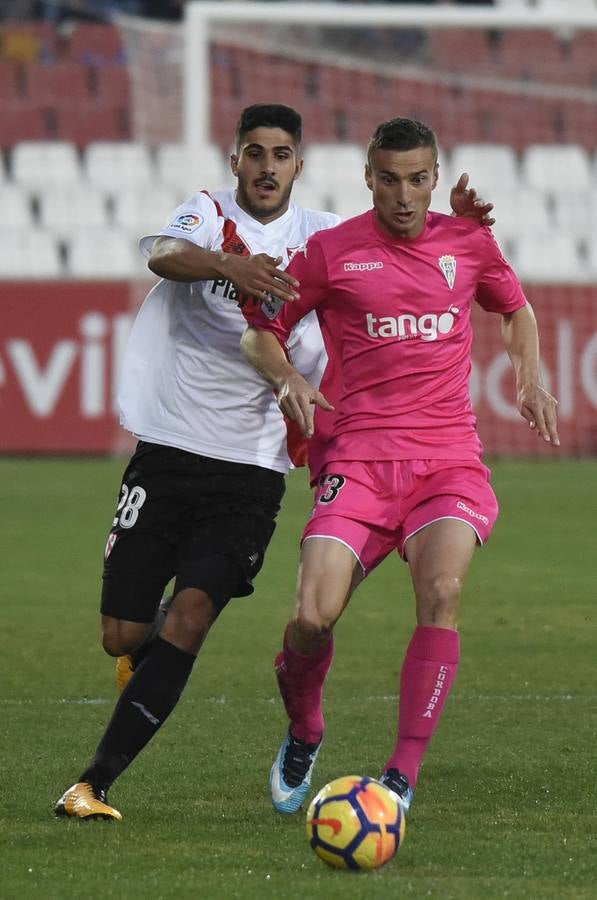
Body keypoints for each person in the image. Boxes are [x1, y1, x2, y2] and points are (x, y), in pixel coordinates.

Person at [54, 104, 494, 822]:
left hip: (254, 461)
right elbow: (161, 255)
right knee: (124, 636)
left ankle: (94, 783)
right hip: (168, 447)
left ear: (298, 163)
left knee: (194, 617)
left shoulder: (320, 236)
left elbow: (400, 227)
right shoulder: (206, 213)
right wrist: (230, 266)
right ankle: (151, 645)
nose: (266, 166)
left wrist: (463, 219)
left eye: (280, 154)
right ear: (235, 161)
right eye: (253, 153)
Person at [240, 116, 559, 817]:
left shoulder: (467, 243)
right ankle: (305, 727)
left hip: (447, 462)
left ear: (435, 178)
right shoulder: (331, 253)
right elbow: (259, 329)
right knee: (311, 618)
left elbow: (516, 310)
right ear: (368, 178)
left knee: (442, 589)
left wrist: (529, 377)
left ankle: (399, 777)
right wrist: (286, 377)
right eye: (390, 180)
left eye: (418, 180)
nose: (405, 196)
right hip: (356, 459)